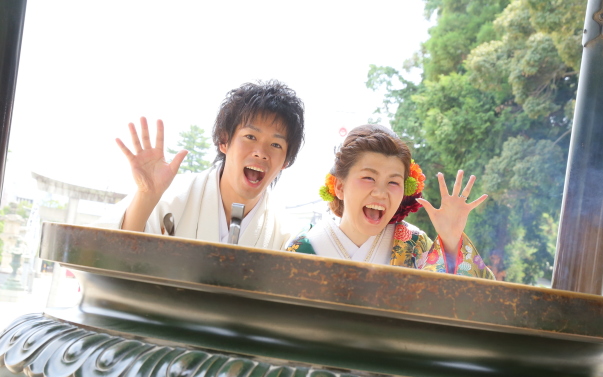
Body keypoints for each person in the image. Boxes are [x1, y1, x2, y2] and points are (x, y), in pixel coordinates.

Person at [95, 80, 305, 249]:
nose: (261, 153)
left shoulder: (287, 233)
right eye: (250, 136)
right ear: (224, 141)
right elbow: (106, 252)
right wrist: (147, 195)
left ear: (286, 161)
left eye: (276, 144)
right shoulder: (172, 197)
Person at [285, 124, 494, 278]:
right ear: (339, 187)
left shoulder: (412, 244)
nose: (381, 192)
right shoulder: (303, 247)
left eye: (393, 182)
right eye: (369, 178)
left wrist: (450, 241)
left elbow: (470, 302)